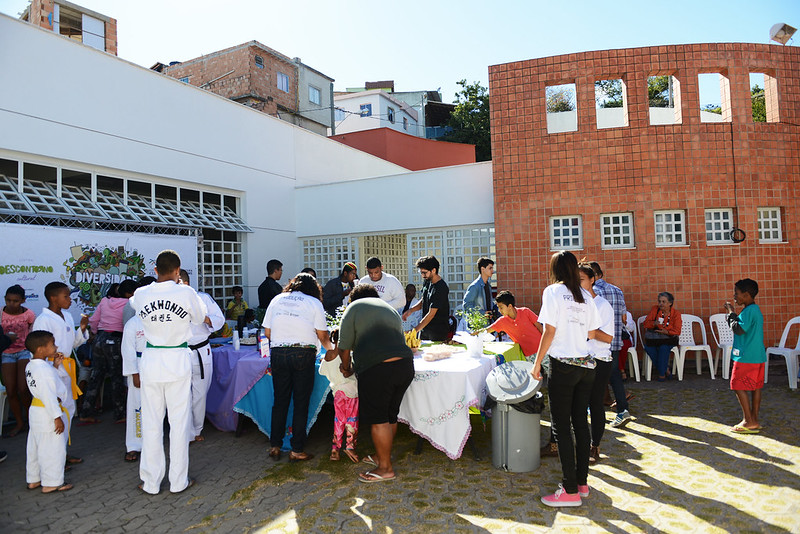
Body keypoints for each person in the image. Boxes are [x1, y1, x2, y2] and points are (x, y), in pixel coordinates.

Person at [129, 250, 209, 494]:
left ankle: (151, 482)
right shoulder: (185, 292)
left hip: (151, 360)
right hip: (176, 359)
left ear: (155, 270)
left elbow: (135, 304)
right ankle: (178, 481)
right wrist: (182, 287)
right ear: (177, 271)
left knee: (152, 422)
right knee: (178, 422)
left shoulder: (141, 294)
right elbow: (200, 317)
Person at [532, 251, 602, 507]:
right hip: (586, 365)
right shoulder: (586, 296)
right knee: (580, 424)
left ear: (555, 269)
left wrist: (537, 363)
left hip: (563, 366)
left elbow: (549, 330)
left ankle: (569, 490)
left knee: (561, 427)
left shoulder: (552, 292)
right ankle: (581, 484)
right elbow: (592, 331)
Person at [331, 284, 414, 483]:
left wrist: (346, 368)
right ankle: (381, 456)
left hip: (378, 368)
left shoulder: (354, 308)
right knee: (389, 416)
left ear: (353, 298)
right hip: (405, 365)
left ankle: (385, 468)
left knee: (379, 419)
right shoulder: (390, 309)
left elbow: (344, 347)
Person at [263, 273, 334, 462]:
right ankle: (296, 449)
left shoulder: (277, 299)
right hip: (303, 353)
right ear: (313, 288)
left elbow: (267, 332)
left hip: (278, 352)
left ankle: (275, 445)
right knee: (300, 403)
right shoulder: (313, 303)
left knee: (280, 401)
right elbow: (323, 336)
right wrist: (333, 352)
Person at [32, 281, 89, 465]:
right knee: (55, 414)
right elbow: (39, 349)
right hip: (52, 370)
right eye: (66, 297)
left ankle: (61, 452)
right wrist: (50, 368)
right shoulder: (43, 319)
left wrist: (81, 329)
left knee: (68, 411)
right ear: (53, 298)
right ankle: (53, 459)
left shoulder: (66, 316)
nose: (70, 300)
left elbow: (71, 343)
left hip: (67, 370)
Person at [80, 279, 138, 425]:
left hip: (100, 339)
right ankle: (119, 414)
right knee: (116, 377)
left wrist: (94, 334)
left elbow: (93, 320)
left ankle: (85, 412)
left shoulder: (105, 301)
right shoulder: (130, 304)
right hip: (116, 340)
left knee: (96, 376)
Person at [179, 269, 225, 442]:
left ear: (185, 283)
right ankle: (182, 429)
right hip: (178, 351)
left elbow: (219, 319)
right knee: (180, 393)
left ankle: (196, 429)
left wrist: (203, 318)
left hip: (200, 349)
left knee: (199, 393)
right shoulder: (171, 302)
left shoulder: (202, 298)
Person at [24, 330, 72, 493]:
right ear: (40, 349)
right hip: (47, 412)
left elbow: (48, 381)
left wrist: (56, 366)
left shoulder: (32, 365)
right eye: (52, 344)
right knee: (52, 447)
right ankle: (51, 482)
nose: (56, 346)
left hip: (36, 411)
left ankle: (34, 478)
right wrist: (56, 417)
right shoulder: (43, 370)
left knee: (35, 445)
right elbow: (48, 394)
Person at [578, 264, 616, 465]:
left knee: (595, 404)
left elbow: (608, 337)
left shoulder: (602, 305)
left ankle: (595, 445)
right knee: (577, 405)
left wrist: (589, 331)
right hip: (577, 359)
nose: (578, 284)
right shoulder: (573, 304)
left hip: (599, 360)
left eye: (582, 279)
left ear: (592, 280)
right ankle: (579, 445)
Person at [589, 262, 632, 429]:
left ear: (593, 277)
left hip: (597, 343)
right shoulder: (617, 290)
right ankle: (622, 409)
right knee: (614, 377)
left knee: (594, 378)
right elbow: (624, 319)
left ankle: (594, 411)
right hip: (614, 341)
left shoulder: (592, 294)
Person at [724, 278, 765, 434]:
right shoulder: (755, 310)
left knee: (737, 385)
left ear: (747, 295)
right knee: (755, 387)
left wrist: (730, 312)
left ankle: (748, 421)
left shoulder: (748, 311)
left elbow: (738, 329)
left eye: (737, 294)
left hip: (746, 357)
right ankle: (754, 420)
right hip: (758, 355)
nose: (735, 297)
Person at [319, 333, 359, 463]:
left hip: (338, 393)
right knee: (351, 420)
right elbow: (353, 370)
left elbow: (322, 371)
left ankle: (335, 450)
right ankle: (349, 446)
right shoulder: (348, 355)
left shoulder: (328, 355)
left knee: (339, 420)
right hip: (351, 392)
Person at [2, 284, 36, 437]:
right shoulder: (1, 314)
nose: (11, 304)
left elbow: (33, 332)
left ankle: (32, 420)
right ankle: (19, 422)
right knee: (11, 390)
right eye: (8, 300)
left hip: (23, 351)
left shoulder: (28, 315)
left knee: (24, 389)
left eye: (15, 301)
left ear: (23, 300)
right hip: (6, 353)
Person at [478, 290, 542, 358]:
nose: (499, 310)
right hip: (529, 356)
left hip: (543, 350)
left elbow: (540, 327)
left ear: (510, 306)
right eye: (498, 308)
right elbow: (486, 330)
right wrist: (471, 335)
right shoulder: (502, 322)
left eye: (501, 307)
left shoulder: (526, 312)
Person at [402, 256, 450, 341]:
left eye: (424, 272)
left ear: (434, 270)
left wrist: (414, 330)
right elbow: (424, 300)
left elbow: (431, 314)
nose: (422, 275)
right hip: (425, 329)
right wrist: (411, 310)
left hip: (438, 332)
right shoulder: (427, 281)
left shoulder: (441, 288)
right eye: (421, 272)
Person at [121, 314, 145, 462]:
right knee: (137, 406)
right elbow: (127, 350)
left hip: (158, 364)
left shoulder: (157, 319)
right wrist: (134, 373)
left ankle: (152, 442)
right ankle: (134, 445)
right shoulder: (133, 323)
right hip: (139, 364)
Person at [642, 292, 682, 382]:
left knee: (663, 348)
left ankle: (661, 374)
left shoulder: (676, 314)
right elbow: (645, 324)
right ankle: (665, 369)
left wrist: (667, 331)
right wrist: (653, 323)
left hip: (669, 339)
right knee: (648, 348)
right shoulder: (655, 310)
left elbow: (677, 330)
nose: (661, 304)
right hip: (655, 338)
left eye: (664, 302)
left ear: (670, 303)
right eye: (659, 301)